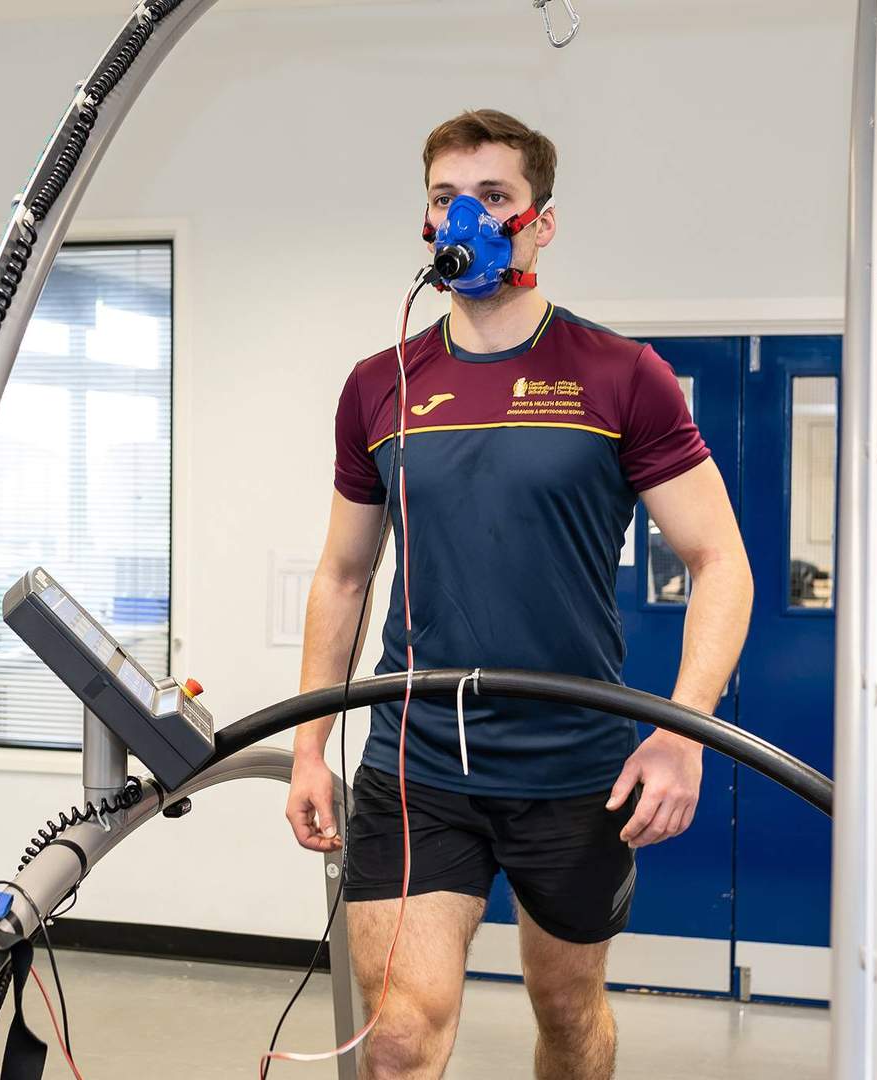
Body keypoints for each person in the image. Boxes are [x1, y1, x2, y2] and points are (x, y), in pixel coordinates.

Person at [284, 110, 753, 1080]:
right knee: (402, 1038)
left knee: (569, 1016)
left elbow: (722, 562)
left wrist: (682, 729)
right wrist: (309, 749)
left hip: (575, 768)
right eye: (446, 198)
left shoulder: (622, 376)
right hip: (417, 761)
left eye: (493, 197)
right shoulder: (381, 385)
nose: (467, 218)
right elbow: (342, 574)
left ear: (541, 221)